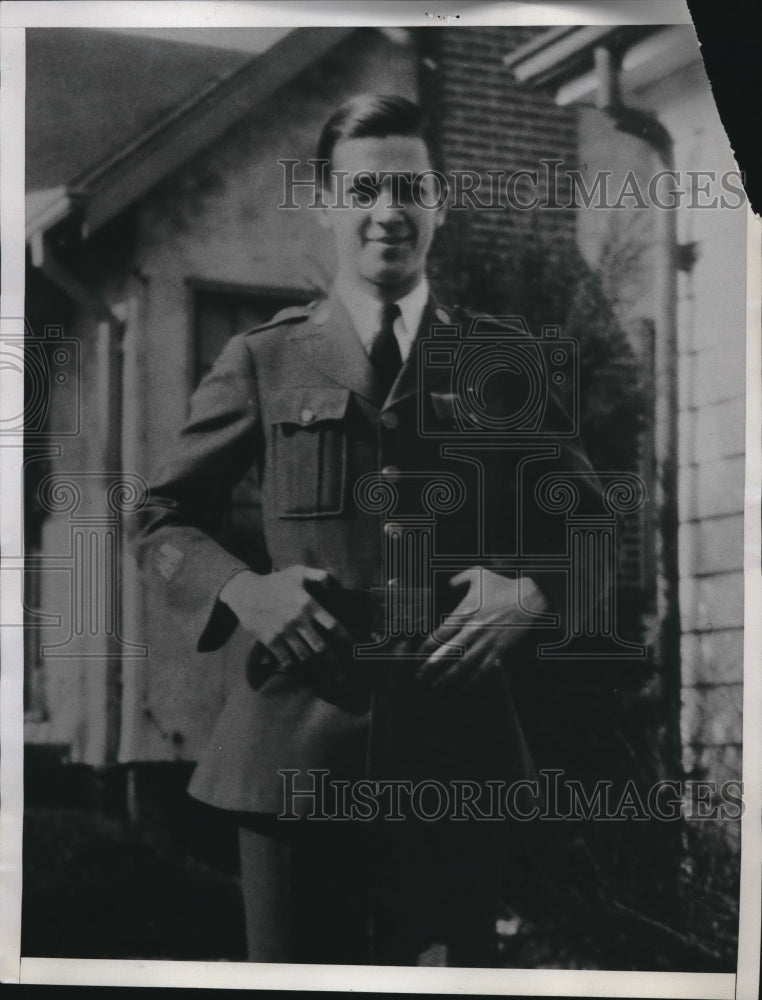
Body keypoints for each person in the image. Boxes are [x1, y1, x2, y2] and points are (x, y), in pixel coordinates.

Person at [130, 94, 600, 966]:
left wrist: (530, 590)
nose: (390, 212)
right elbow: (159, 520)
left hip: (458, 760)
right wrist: (244, 590)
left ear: (441, 201)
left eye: (411, 189)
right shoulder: (264, 359)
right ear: (325, 202)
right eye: (365, 189)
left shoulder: (502, 362)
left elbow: (597, 532)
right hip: (291, 760)